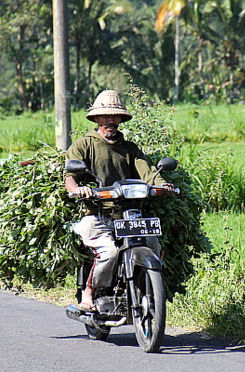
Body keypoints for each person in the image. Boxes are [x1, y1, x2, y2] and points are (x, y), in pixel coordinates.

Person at [64, 89, 174, 311]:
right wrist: (79, 190)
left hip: (130, 216)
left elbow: (149, 171)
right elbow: (70, 176)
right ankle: (90, 292)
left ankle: (148, 288)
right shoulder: (84, 145)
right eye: (105, 116)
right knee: (109, 253)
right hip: (98, 215)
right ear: (96, 118)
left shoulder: (129, 148)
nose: (110, 121)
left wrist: (162, 185)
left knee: (153, 245)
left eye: (115, 117)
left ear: (121, 120)